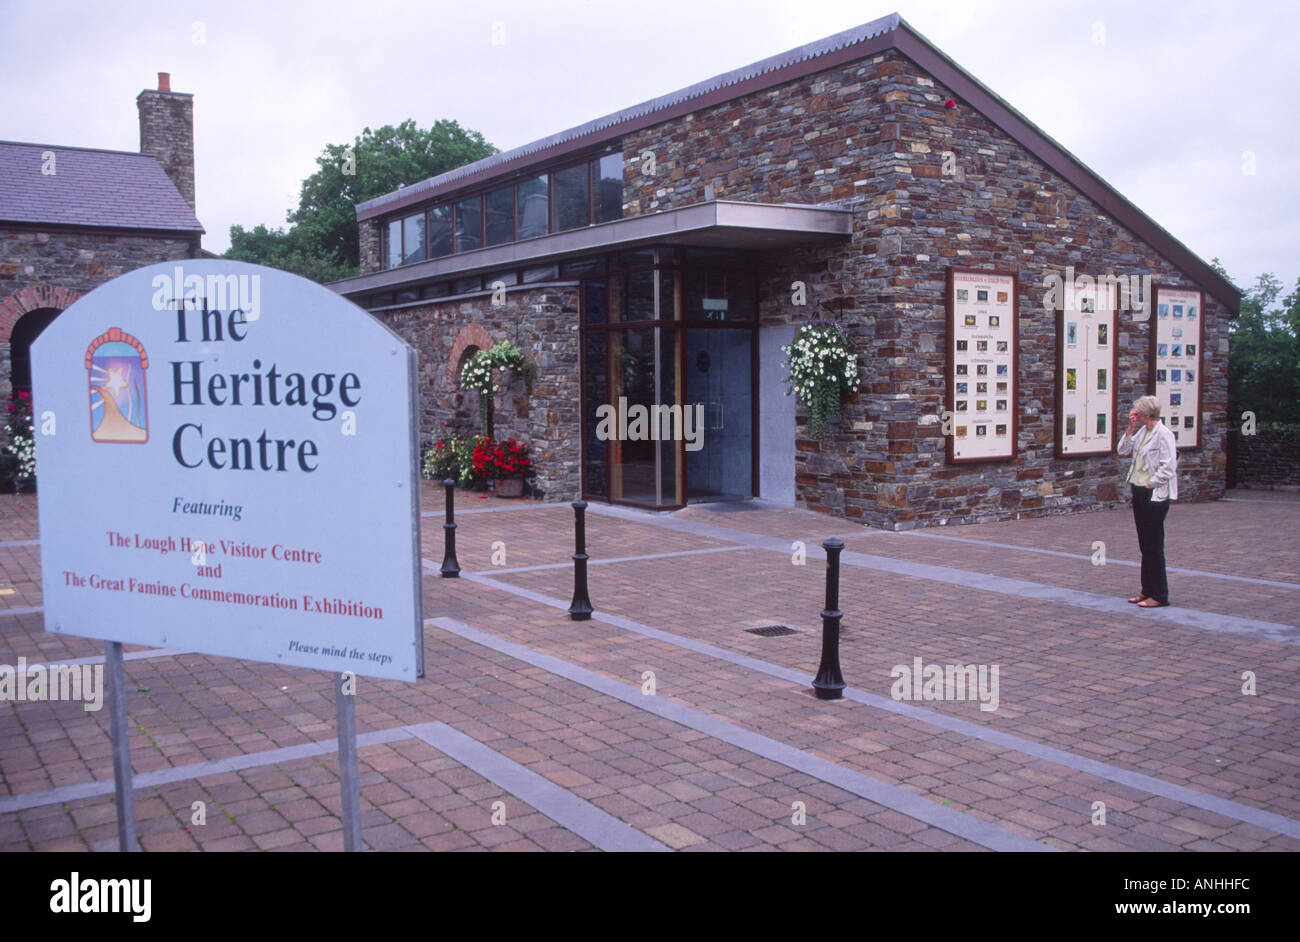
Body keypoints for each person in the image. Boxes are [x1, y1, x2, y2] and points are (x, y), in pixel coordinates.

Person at [1116, 396, 1178, 607]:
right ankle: (1147, 590)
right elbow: (1122, 450)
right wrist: (1130, 429)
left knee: (1154, 544)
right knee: (1145, 544)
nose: (1135, 415)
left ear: (1146, 414)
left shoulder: (1164, 434)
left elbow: (1169, 467)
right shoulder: (1142, 432)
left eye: (1137, 413)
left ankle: (1160, 595)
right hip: (1139, 490)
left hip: (1154, 494)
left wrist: (1151, 484)